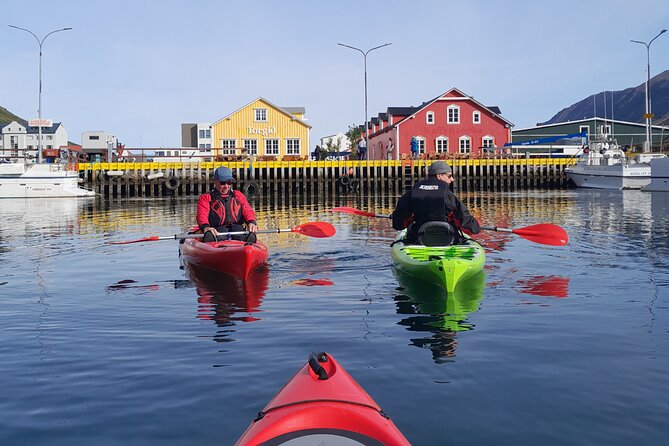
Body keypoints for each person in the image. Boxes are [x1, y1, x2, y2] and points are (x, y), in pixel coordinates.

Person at [391, 161, 481, 245]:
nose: (452, 179)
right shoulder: (449, 196)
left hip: (418, 240)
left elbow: (398, 224)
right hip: (447, 240)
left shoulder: (412, 193)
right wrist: (476, 226)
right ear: (439, 176)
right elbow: (468, 225)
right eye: (449, 176)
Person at [197, 166, 258, 242]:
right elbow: (202, 215)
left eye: (229, 183)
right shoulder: (206, 198)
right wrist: (206, 227)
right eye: (223, 183)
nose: (226, 186)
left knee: (246, 235)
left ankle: (248, 242)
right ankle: (211, 241)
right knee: (211, 235)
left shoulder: (238, 195)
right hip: (216, 231)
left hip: (237, 229)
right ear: (215, 182)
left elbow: (247, 211)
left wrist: (251, 222)